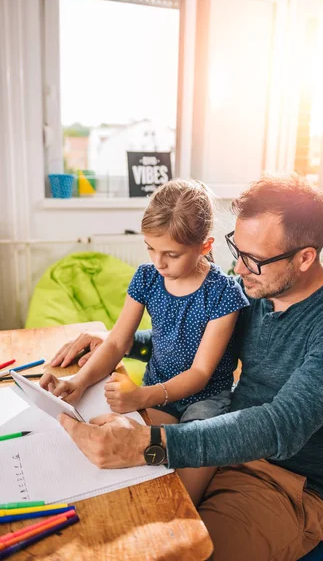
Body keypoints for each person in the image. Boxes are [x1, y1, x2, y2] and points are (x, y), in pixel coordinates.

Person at [48, 174, 323, 561]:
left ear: (305, 257)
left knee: (170, 553)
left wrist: (152, 445)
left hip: (282, 482)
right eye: (236, 251)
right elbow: (197, 341)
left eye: (253, 259)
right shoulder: (258, 287)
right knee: (104, 517)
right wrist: (115, 344)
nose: (238, 269)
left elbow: (282, 426)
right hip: (220, 443)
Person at [40, 178, 248, 505]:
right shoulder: (147, 277)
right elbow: (115, 343)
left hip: (205, 400)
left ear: (205, 246)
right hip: (156, 389)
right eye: (150, 248)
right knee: (127, 467)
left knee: (182, 499)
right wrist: (78, 382)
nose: (158, 262)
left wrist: (141, 397)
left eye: (171, 254)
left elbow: (200, 372)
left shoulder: (224, 293)